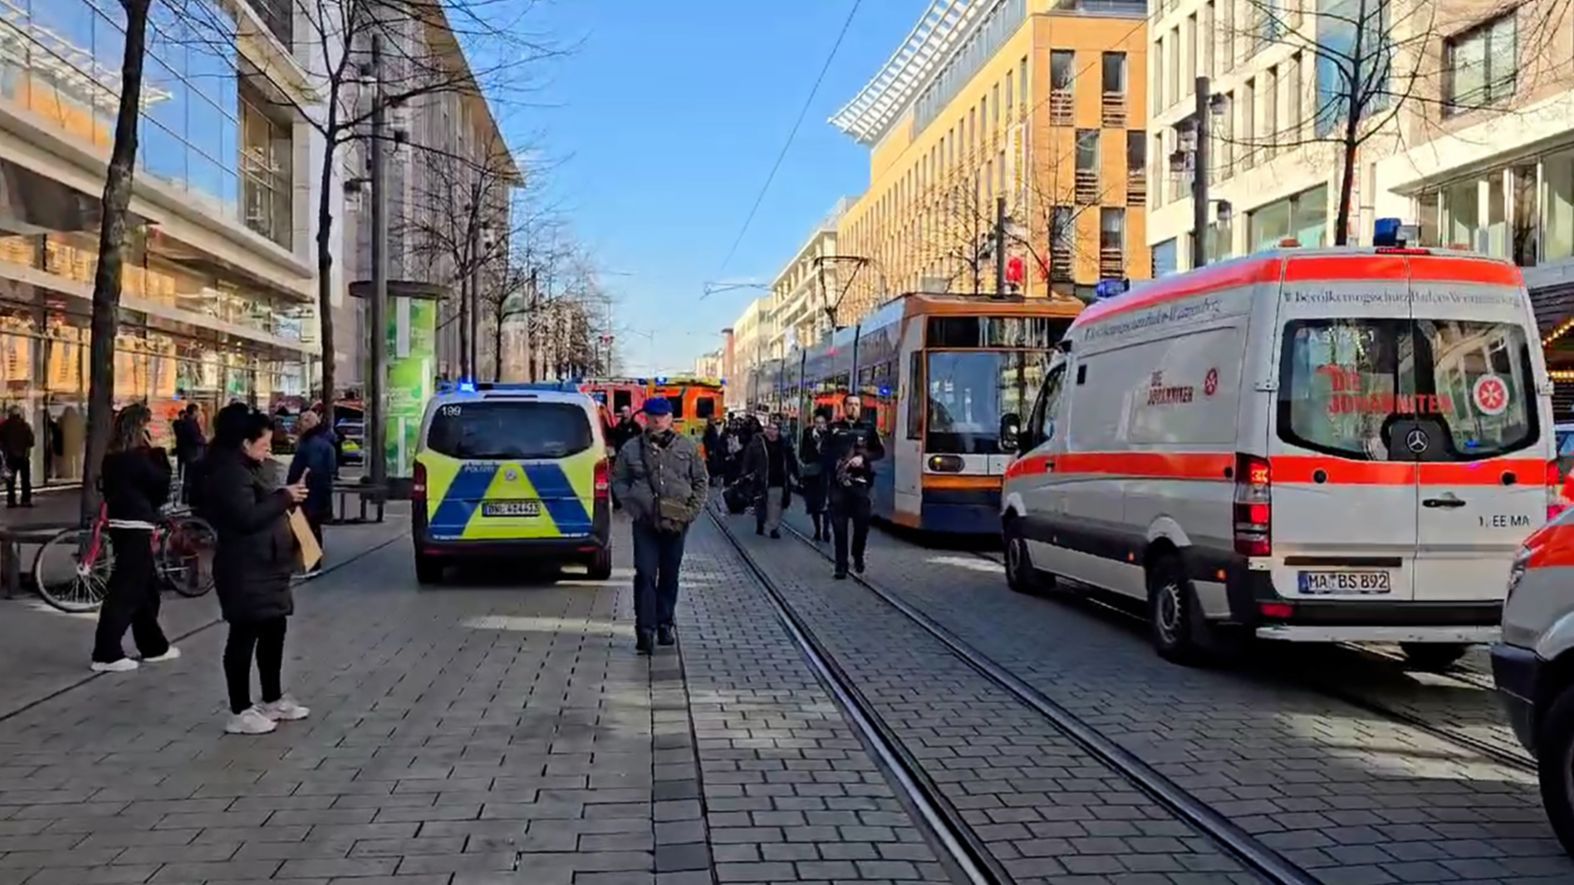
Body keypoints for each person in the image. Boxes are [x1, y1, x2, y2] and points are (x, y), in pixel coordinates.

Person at [204, 404, 311, 735]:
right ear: (244, 443)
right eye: (263, 444)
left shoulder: (249, 468)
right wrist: (283, 497)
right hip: (244, 568)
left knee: (273, 629)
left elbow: (265, 504)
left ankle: (272, 697)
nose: (267, 451)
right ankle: (239, 709)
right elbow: (245, 517)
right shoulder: (228, 472)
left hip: (267, 565)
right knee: (244, 634)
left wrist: (287, 496)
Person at [610, 397, 707, 655]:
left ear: (670, 417)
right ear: (646, 418)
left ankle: (665, 623)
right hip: (645, 522)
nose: (657, 420)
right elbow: (619, 480)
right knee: (644, 573)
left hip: (676, 522)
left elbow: (700, 481)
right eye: (652, 416)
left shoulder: (687, 446)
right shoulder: (631, 449)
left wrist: (691, 512)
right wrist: (632, 506)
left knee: (669, 574)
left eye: (662, 416)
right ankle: (645, 629)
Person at [89, 404, 178, 672]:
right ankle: (106, 653)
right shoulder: (140, 459)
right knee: (126, 590)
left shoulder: (113, 457)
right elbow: (161, 487)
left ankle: (153, 645)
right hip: (136, 523)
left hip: (121, 522)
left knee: (146, 587)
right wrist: (160, 455)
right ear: (141, 428)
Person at [823, 393, 885, 579]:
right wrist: (835, 462)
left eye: (856, 405)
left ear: (860, 407)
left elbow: (879, 452)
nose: (853, 408)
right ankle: (841, 566)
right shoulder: (833, 429)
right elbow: (823, 453)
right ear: (844, 407)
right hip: (838, 486)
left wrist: (863, 457)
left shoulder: (868, 429)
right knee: (839, 528)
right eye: (850, 404)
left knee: (862, 525)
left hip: (860, 486)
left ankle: (857, 555)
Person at [287, 409, 335, 565]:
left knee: (306, 525)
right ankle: (311, 562)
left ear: (309, 423)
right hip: (315, 491)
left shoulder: (312, 443)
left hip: (309, 492)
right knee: (310, 525)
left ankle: (312, 564)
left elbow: (310, 468)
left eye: (302, 421)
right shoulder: (319, 441)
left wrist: (299, 483)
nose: (299, 424)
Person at [744, 420, 797, 538]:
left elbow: (791, 459)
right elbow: (748, 458)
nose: (772, 432)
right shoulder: (758, 442)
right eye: (770, 428)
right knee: (761, 502)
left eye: (775, 429)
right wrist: (746, 473)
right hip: (761, 477)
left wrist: (795, 475)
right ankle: (761, 522)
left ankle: (773, 528)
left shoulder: (783, 444)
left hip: (778, 478)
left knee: (776, 504)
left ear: (778, 431)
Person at [799, 409, 832, 542]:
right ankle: (817, 529)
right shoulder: (807, 433)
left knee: (825, 504)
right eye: (817, 423)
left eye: (822, 423)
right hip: (811, 474)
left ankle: (825, 529)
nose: (820, 425)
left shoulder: (829, 436)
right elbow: (803, 452)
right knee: (813, 504)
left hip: (825, 474)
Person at [0, 407, 34, 508]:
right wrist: (26, 451)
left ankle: (11, 500)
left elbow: (1, 441)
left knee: (10, 481)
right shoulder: (25, 426)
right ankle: (26, 500)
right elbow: (31, 441)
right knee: (25, 480)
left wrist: (5, 451)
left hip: (10, 456)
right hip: (23, 456)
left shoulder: (5, 426)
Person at [172, 404, 206, 500]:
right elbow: (195, 438)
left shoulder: (183, 423)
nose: (199, 413)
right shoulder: (191, 424)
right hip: (193, 454)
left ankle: (184, 496)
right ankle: (188, 497)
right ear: (194, 411)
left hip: (185, 452)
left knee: (185, 476)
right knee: (190, 477)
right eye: (198, 411)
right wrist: (204, 440)